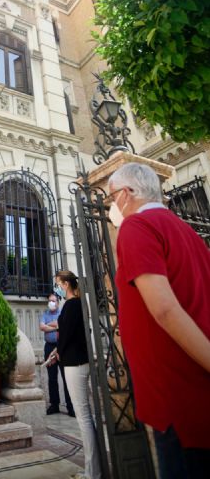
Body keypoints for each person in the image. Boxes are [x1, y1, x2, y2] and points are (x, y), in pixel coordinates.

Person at [108, 162, 210, 478]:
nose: (112, 205)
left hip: (176, 397)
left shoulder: (136, 227)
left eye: (111, 196)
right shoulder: (189, 232)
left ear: (127, 193)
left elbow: (164, 309)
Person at [55, 270, 101, 479]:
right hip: (80, 360)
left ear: (65, 284)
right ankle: (95, 469)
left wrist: (59, 352)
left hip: (75, 363)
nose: (56, 288)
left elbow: (65, 335)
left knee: (83, 417)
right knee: (86, 416)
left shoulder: (71, 305)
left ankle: (93, 472)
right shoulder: (78, 304)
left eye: (58, 283)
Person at [40, 292, 75, 417]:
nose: (51, 303)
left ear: (58, 302)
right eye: (49, 300)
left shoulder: (62, 313)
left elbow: (61, 325)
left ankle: (70, 406)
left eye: (53, 300)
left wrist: (51, 325)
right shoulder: (45, 314)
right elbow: (42, 327)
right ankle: (54, 405)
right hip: (49, 347)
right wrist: (56, 326)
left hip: (61, 346)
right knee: (52, 377)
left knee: (66, 377)